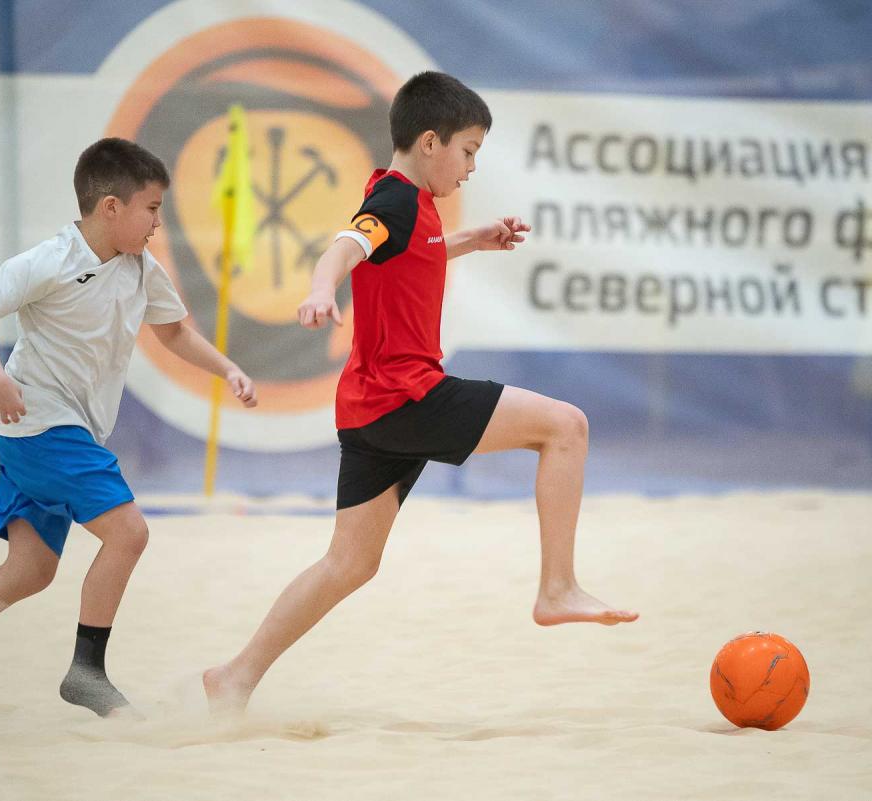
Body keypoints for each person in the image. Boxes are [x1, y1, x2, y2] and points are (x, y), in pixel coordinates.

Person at [203, 72, 637, 714]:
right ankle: (558, 588)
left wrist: (471, 241)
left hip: (369, 409)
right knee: (566, 426)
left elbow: (408, 254)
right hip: (408, 395)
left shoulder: (410, 202)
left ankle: (234, 676)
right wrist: (321, 288)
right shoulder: (395, 200)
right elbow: (346, 246)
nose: (471, 167)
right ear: (431, 142)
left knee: (349, 564)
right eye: (469, 151)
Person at [0, 137, 257, 729]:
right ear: (111, 207)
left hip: (61, 431)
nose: (158, 222)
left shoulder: (140, 268)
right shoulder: (49, 261)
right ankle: (86, 672)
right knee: (129, 532)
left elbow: (174, 332)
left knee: (29, 571)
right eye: (152, 208)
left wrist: (227, 369)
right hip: (39, 424)